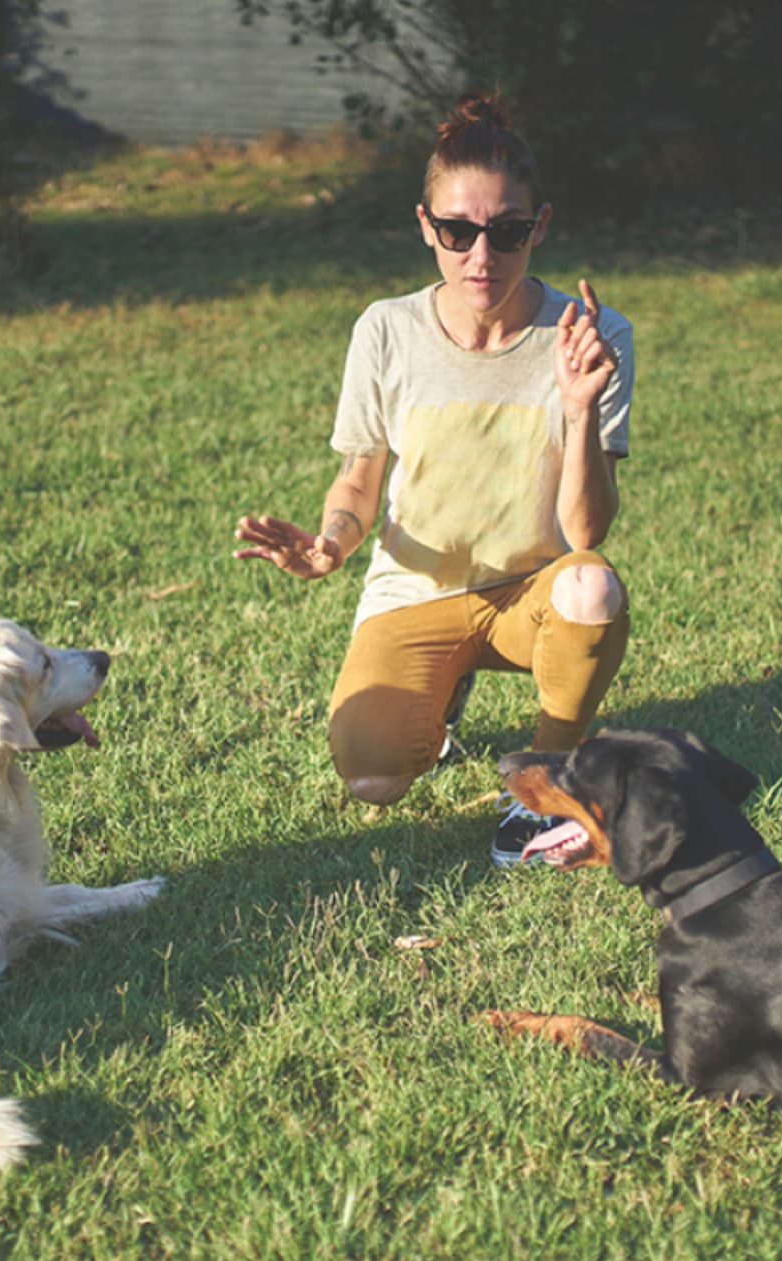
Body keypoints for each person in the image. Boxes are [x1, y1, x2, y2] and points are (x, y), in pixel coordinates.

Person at [235, 92, 634, 867]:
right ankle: (443, 694)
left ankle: (551, 784)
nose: (481, 258)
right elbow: (358, 478)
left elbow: (587, 535)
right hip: (419, 590)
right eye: (457, 232)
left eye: (507, 232)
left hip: (532, 590)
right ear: (426, 225)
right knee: (373, 778)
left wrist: (580, 408)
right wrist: (331, 545)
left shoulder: (593, 335)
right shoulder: (386, 328)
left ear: (539, 226)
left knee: (593, 587)